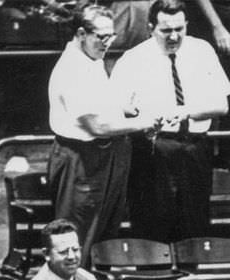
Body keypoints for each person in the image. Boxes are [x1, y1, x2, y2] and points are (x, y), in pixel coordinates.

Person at [47, 5, 164, 264]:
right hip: (83, 162)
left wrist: (124, 107)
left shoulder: (92, 58)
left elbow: (101, 101)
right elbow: (96, 126)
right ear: (80, 33)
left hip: (107, 157)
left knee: (104, 239)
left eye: (111, 36)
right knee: (76, 245)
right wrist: (142, 122)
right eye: (101, 36)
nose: (108, 43)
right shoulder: (72, 68)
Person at [111, 0, 230, 242]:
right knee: (152, 218)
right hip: (153, 148)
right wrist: (139, 113)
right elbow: (116, 105)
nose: (174, 37)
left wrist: (188, 112)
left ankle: (193, 277)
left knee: (194, 218)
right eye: (166, 31)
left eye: (180, 29)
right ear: (150, 28)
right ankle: (154, 278)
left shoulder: (202, 51)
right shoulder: (133, 59)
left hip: (195, 145)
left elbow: (222, 105)